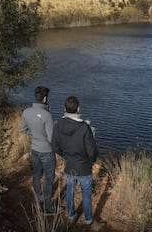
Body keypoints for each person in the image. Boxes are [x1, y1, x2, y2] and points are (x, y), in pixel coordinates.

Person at [52, 96, 102, 227]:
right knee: (86, 194)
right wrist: (91, 161)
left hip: (69, 165)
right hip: (84, 167)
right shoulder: (84, 127)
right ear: (78, 109)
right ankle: (88, 219)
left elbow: (54, 145)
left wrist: (65, 156)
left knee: (70, 190)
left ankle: (71, 215)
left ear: (64, 109)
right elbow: (92, 150)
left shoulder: (58, 125)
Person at [20, 86, 57, 215]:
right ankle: (47, 207)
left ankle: (38, 197)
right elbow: (51, 138)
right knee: (49, 178)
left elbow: (23, 130)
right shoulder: (47, 115)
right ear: (45, 98)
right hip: (47, 151)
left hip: (34, 149)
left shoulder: (26, 112)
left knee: (37, 174)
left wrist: (36, 134)